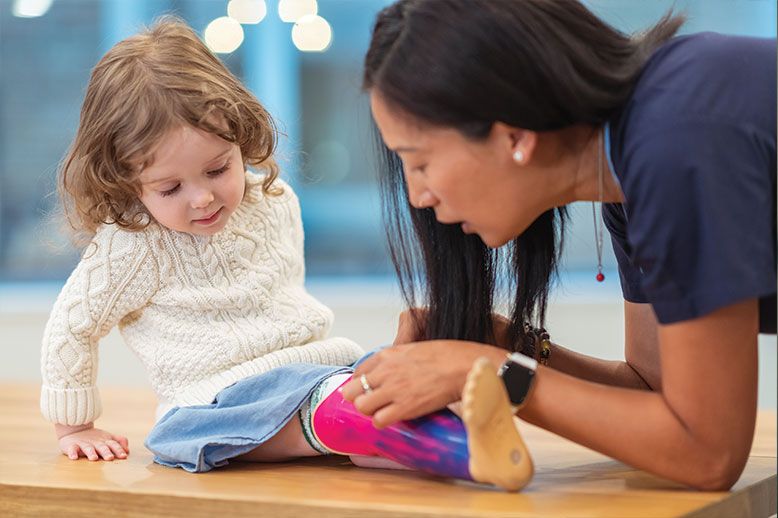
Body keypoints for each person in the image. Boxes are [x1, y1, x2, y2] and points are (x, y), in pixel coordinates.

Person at [40, 17, 535, 491]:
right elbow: (72, 324)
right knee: (318, 414)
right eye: (170, 187)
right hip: (212, 403)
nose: (203, 198)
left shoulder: (275, 202)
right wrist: (74, 427)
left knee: (380, 380)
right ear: (125, 183)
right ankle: (445, 443)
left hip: (316, 370)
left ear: (241, 136)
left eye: (217, 170)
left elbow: (283, 301)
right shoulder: (133, 244)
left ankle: (460, 437)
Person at [342, 0, 777, 491]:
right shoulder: (628, 171)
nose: (418, 195)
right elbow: (654, 392)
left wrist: (488, 371)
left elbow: (708, 452)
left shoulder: (676, 145)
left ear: (514, 135)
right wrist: (504, 342)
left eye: (418, 161)